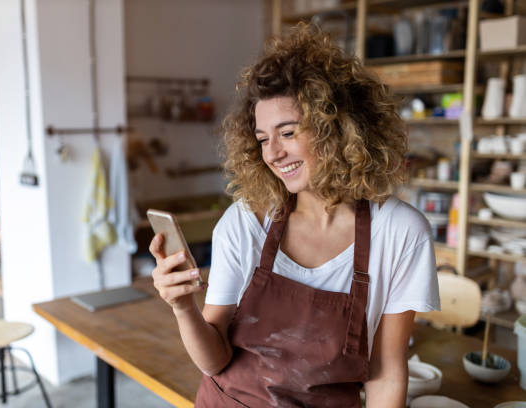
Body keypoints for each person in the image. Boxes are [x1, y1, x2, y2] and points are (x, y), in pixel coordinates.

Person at [149, 23, 440, 408]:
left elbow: (386, 371)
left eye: (287, 133)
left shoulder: (400, 232)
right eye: (263, 139)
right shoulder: (244, 223)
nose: (272, 154)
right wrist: (182, 306)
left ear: (337, 130)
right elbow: (215, 360)